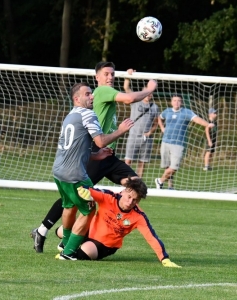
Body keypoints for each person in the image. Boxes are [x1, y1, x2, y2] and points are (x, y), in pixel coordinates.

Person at [31, 61, 158, 253]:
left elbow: (125, 94)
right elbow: (129, 98)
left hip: (106, 157)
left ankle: (104, 229)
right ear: (96, 77)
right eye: (106, 74)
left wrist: (127, 78)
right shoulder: (101, 91)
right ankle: (55, 234)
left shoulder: (104, 94)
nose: (109, 77)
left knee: (134, 184)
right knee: (76, 200)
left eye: (112, 74)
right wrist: (149, 89)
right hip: (94, 156)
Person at [53, 82, 134, 260]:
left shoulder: (70, 115)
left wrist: (95, 156)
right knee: (88, 210)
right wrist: (120, 130)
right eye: (88, 94)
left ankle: (65, 243)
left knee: (69, 206)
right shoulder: (88, 114)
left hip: (59, 172)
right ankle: (68, 253)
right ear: (77, 98)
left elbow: (73, 147)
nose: (92, 97)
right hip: (75, 174)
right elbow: (101, 141)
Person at [55, 177, 182, 268]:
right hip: (89, 232)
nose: (130, 202)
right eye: (129, 197)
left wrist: (164, 258)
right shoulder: (109, 197)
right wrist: (84, 190)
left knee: (85, 250)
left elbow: (151, 237)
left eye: (135, 200)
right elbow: (91, 190)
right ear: (124, 191)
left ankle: (69, 250)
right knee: (60, 230)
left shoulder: (139, 216)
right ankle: (69, 245)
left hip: (105, 245)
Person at [154, 94, 215, 190]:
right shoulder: (167, 111)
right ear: (171, 102)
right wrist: (162, 128)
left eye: (178, 100)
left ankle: (160, 181)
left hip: (178, 144)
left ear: (181, 102)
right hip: (165, 142)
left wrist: (207, 124)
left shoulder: (186, 112)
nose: (176, 102)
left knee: (174, 167)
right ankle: (170, 186)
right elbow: (159, 118)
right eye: (174, 100)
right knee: (167, 167)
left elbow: (197, 120)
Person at [123, 69, 160, 178]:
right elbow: (126, 88)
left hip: (146, 139)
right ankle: (125, 180)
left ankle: (138, 183)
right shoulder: (135, 101)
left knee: (142, 162)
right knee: (128, 160)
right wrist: (127, 75)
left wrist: (150, 132)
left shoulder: (155, 107)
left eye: (150, 92)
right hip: (133, 136)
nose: (148, 94)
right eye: (146, 91)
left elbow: (156, 123)